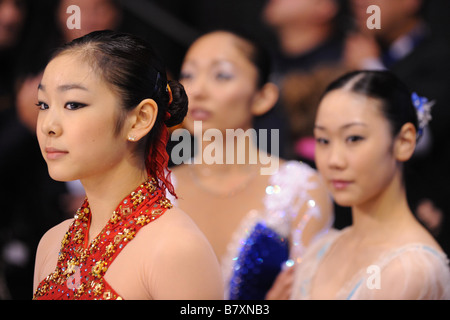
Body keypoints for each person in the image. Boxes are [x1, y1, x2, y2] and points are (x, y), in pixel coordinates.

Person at [32, 30, 223, 300]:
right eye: (43, 104)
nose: (49, 126)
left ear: (140, 119)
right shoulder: (51, 243)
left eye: (73, 104)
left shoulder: (175, 248)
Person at [169, 30, 334, 300]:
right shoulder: (157, 188)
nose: (197, 90)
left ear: (263, 97)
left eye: (221, 75)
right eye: (188, 75)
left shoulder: (299, 188)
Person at [291, 70, 450, 300]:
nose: (334, 160)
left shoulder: (412, 269)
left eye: (354, 138)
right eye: (323, 140)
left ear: (404, 141)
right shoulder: (320, 250)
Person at [344, 0, 450, 254]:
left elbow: (420, 138)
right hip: (357, 219)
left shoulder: (439, 55)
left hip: (426, 217)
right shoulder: (354, 51)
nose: (361, 4)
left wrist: (368, 67)